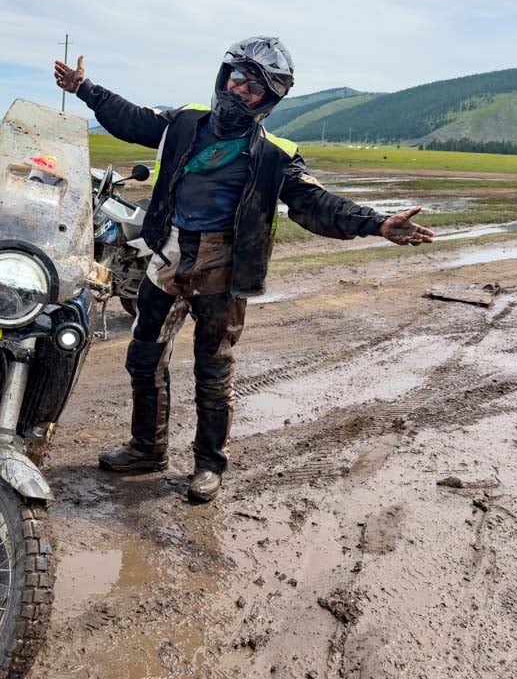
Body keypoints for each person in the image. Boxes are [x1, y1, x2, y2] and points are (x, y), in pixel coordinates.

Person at [54, 36, 434, 503]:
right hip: (167, 258)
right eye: (237, 78)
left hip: (223, 271)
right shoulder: (184, 123)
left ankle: (209, 465)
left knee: (213, 372)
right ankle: (147, 449)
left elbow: (315, 202)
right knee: (143, 358)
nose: (240, 91)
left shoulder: (276, 154)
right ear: (223, 76)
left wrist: (376, 223)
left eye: (254, 87)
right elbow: (132, 119)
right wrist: (85, 88)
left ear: (269, 100)